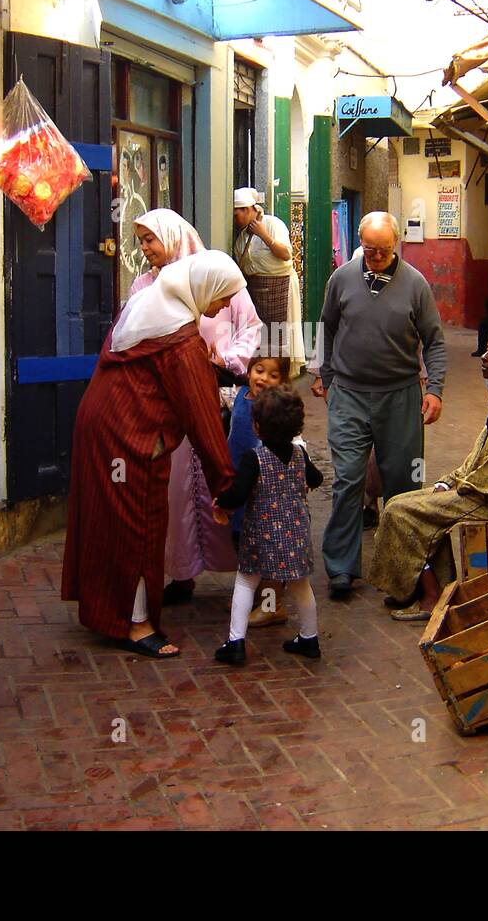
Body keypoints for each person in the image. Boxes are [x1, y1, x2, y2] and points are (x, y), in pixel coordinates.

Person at [61, 251, 245, 658]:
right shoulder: (181, 342)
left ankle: (108, 611)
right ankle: (137, 624)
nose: (224, 306)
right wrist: (226, 486)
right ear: (203, 289)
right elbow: (203, 419)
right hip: (130, 439)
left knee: (106, 523)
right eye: (223, 296)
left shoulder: (147, 307)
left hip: (99, 426)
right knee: (139, 524)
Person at [128, 209, 262, 605]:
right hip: (169, 405)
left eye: (150, 239)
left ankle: (250, 577)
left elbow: (250, 326)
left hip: (215, 399)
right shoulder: (143, 287)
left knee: (226, 481)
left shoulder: (217, 275)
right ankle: (182, 573)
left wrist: (228, 360)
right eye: (140, 241)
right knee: (178, 492)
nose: (145, 248)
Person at [312, 211, 446, 598]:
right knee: (349, 478)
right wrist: (325, 375)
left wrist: (434, 389)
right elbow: (327, 327)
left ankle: (402, 574)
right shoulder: (341, 279)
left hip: (400, 396)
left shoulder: (415, 285)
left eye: (383, 251)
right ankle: (341, 568)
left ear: (396, 246)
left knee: (404, 487)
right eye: (369, 249)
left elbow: (434, 341)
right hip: (350, 394)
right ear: (360, 243)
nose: (374, 257)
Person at [366, 329, 488, 620]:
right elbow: (479, 457)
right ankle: (431, 590)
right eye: (486, 350)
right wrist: (448, 481)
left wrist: (458, 487)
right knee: (403, 502)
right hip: (484, 490)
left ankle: (431, 598)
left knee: (400, 512)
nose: (484, 358)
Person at [212, 386, 324, 665]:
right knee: (301, 586)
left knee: (246, 582)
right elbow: (317, 478)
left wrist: (220, 501)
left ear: (257, 427)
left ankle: (236, 641)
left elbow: (238, 494)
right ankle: (309, 638)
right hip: (296, 535)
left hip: (261, 536)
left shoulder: (255, 458)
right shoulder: (300, 454)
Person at [226, 352, 290, 627]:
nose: (263, 378)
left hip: (266, 490)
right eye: (259, 370)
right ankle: (256, 596)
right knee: (244, 542)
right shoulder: (239, 395)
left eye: (273, 375)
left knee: (269, 548)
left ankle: (272, 605)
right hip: (241, 484)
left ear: (283, 381)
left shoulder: (275, 410)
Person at [232, 187, 305, 377]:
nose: (234, 219)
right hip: (256, 290)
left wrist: (264, 234)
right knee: (261, 336)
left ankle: (281, 376)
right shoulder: (242, 237)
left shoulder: (273, 224)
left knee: (279, 336)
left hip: (279, 288)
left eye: (236, 214)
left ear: (249, 209)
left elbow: (286, 254)